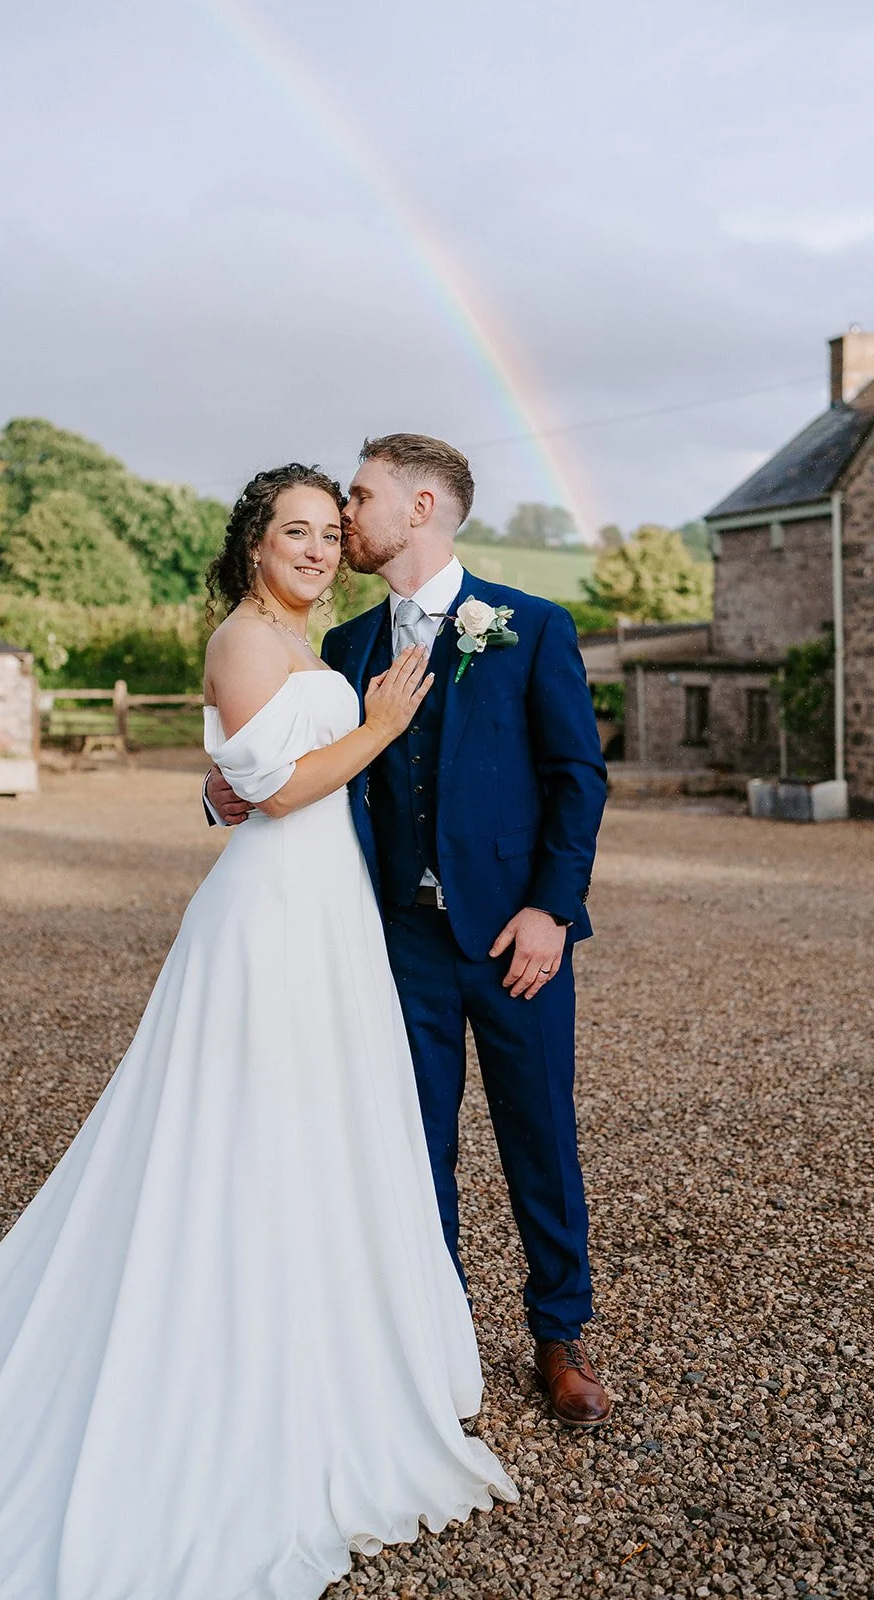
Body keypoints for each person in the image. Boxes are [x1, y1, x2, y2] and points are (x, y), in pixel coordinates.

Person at [0, 464, 515, 1600]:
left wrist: (340, 741)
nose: (318, 549)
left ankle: (333, 1355)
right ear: (254, 543)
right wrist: (380, 729)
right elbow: (266, 792)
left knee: (324, 1128)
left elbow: (235, 776)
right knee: (248, 1131)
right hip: (270, 916)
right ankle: (225, 1356)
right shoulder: (244, 640)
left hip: (331, 913)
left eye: (330, 531)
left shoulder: (314, 640)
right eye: (296, 532)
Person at [207, 435, 611, 1428]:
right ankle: (436, 1339)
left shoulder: (530, 626)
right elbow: (289, 767)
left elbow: (577, 780)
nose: (346, 516)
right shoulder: (341, 649)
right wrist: (223, 798)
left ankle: (559, 1335)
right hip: (390, 944)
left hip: (514, 941)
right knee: (407, 1147)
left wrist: (549, 910)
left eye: (362, 496)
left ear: (423, 506)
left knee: (540, 1139)